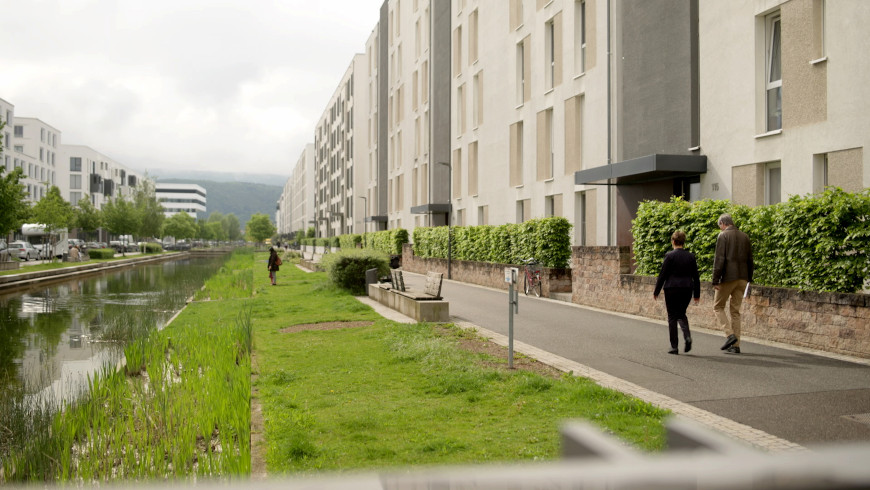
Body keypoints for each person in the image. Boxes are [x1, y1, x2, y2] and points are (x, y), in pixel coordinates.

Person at [712, 213, 753, 354]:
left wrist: (715, 280)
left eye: (720, 226)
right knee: (735, 311)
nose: (720, 229)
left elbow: (719, 259)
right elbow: (750, 260)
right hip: (743, 278)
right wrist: (749, 279)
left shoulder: (723, 236)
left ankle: (729, 335)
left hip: (728, 278)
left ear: (723, 223)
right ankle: (736, 346)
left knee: (718, 306)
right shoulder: (745, 236)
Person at [654, 230, 700, 355]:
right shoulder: (691, 256)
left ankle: (674, 346)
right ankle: (687, 336)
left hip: (671, 288)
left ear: (673, 241)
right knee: (681, 314)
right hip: (687, 289)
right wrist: (697, 294)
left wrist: (656, 291)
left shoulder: (670, 256)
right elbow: (696, 276)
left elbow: (662, 275)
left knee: (672, 316)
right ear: (683, 242)